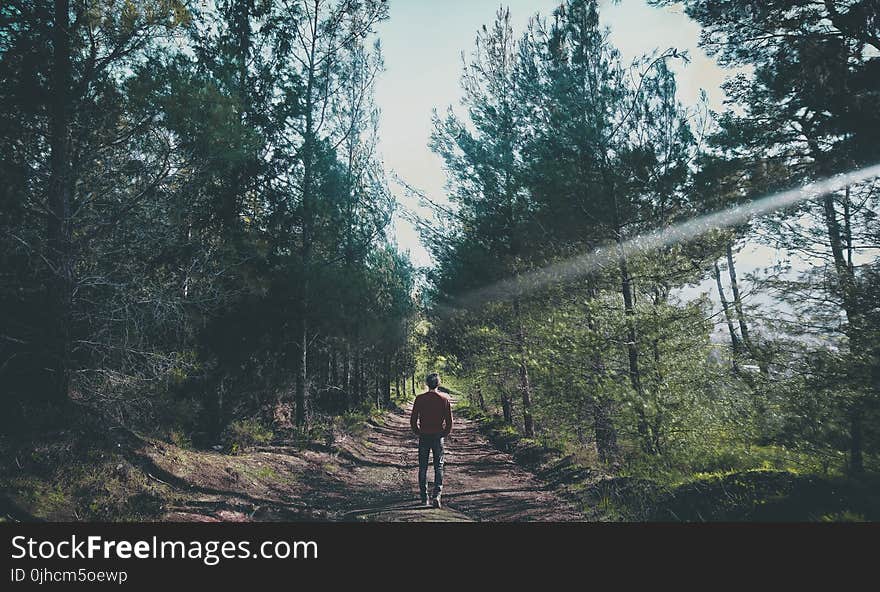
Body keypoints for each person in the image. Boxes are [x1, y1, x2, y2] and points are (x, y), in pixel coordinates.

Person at [410, 372, 453, 508]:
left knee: (423, 466)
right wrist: (443, 433)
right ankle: (437, 496)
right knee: (438, 466)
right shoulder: (444, 399)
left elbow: (413, 420)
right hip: (437, 436)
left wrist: (418, 431)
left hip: (424, 435)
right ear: (438, 384)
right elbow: (449, 422)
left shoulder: (420, 399)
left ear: (427, 384)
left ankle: (424, 498)